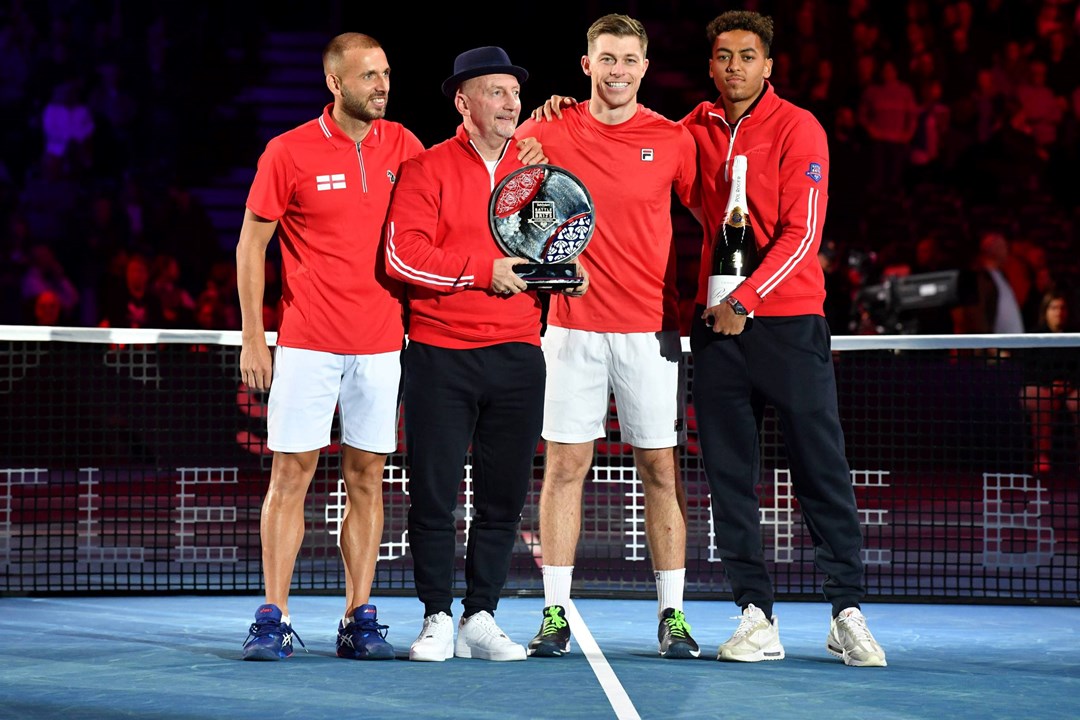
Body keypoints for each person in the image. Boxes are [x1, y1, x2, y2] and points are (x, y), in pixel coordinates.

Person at [681, 10, 887, 667]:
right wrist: (566, 116)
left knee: (820, 471)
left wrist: (747, 298)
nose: (735, 66)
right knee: (730, 480)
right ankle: (754, 616)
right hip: (718, 329)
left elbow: (804, 234)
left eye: (748, 55)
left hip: (789, 325)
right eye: (723, 55)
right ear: (711, 65)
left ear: (768, 65)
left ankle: (846, 612)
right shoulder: (693, 129)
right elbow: (638, 158)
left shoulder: (799, 127)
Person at [383, 46, 582, 663]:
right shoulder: (427, 168)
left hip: (519, 353)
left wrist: (561, 274)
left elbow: (545, 246)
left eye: (514, 93)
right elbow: (402, 255)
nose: (510, 103)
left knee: (503, 500)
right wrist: (479, 272)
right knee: (435, 496)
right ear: (463, 102)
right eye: (494, 92)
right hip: (441, 355)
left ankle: (481, 615)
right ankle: (437, 615)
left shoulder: (536, 175)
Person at [234, 32, 425, 662]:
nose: (382, 85)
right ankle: (273, 615)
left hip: (380, 344)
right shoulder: (287, 152)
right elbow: (250, 246)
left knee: (366, 477)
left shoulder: (405, 145)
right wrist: (255, 338)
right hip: (308, 343)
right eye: (368, 75)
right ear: (335, 83)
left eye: (386, 73)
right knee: (291, 474)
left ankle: (358, 614)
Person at [520, 14, 701, 659]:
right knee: (565, 467)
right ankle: (554, 613)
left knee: (660, 467)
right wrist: (544, 256)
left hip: (652, 331)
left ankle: (673, 615)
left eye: (629, 59)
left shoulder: (673, 140)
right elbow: (506, 200)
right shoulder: (547, 127)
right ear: (586, 64)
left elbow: (715, 216)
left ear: (644, 68)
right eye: (607, 58)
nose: (618, 70)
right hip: (570, 328)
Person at [1017, 289, 1078, 475]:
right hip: (1040, 386)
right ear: (1045, 311)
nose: (1059, 311)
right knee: (1041, 398)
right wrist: (1050, 384)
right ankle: (1041, 457)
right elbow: (1028, 369)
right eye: (1054, 307)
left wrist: (1070, 384)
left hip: (1072, 387)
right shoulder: (1034, 337)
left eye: (1062, 307)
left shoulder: (1076, 336)